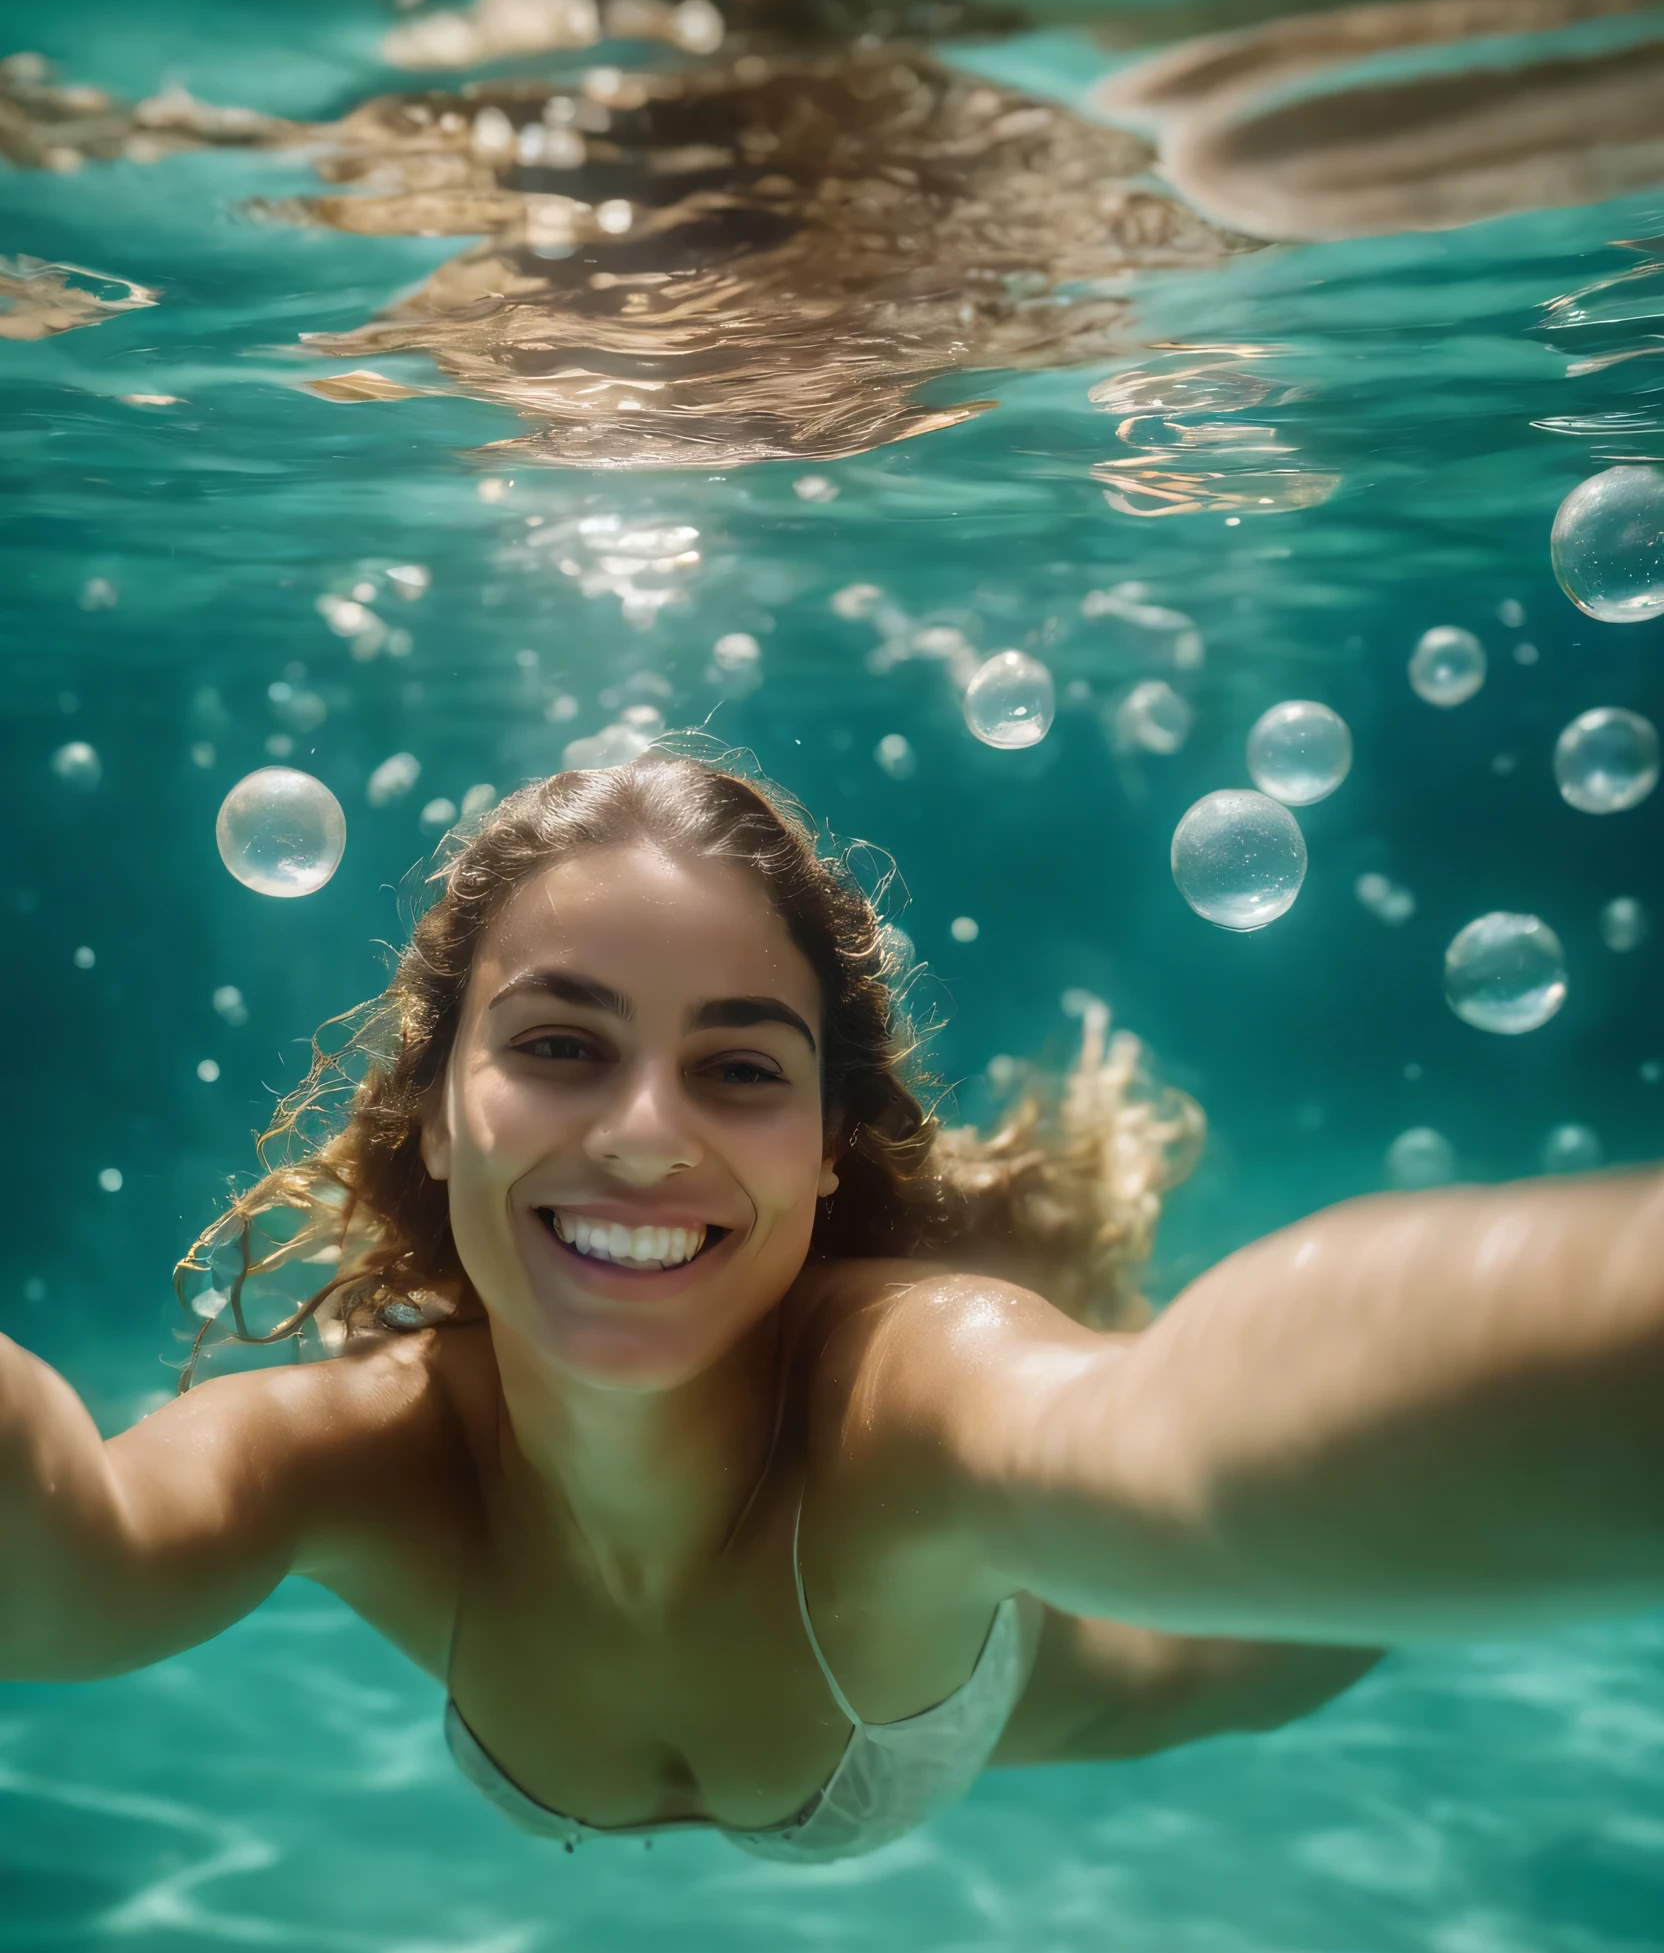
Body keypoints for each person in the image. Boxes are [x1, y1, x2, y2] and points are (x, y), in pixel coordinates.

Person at [1, 753, 1659, 1863]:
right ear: (434, 1112)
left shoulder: (902, 1391)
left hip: (1237, 1640)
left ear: (818, 1156)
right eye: (561, 1045)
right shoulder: (367, 1448)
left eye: (736, 1069)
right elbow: (74, 1573)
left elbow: (1173, 1438)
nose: (645, 1134)